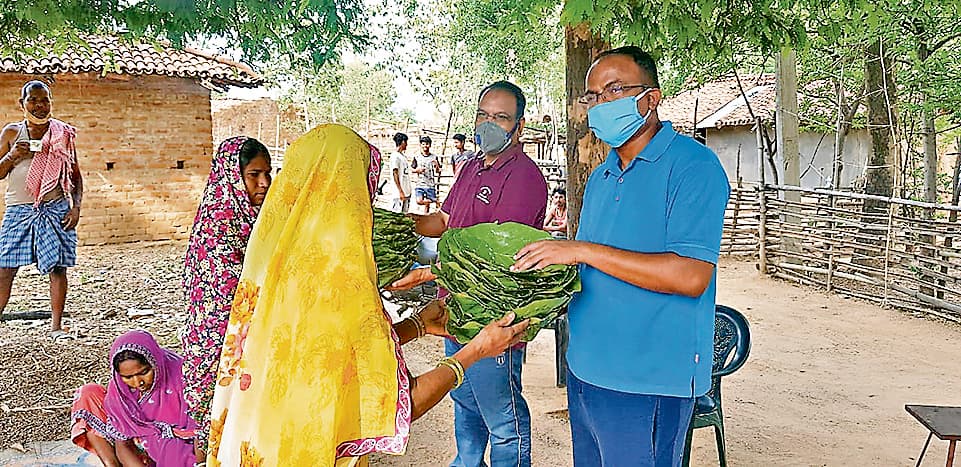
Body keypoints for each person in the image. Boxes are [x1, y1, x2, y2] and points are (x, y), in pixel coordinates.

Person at [204, 124, 529, 466]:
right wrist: (477, 349)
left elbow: (335, 360)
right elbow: (397, 404)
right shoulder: (342, 280)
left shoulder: (281, 263)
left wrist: (416, 326)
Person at [511, 46, 731, 467]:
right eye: (593, 95)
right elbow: (589, 272)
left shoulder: (693, 167)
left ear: (650, 98)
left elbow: (690, 276)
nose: (600, 104)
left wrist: (581, 249)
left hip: (647, 379)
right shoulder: (601, 175)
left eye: (614, 90)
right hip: (587, 368)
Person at [388, 81, 548, 467]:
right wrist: (397, 223)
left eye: (500, 117)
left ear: (519, 126)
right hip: (454, 310)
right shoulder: (471, 167)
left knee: (502, 417)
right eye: (483, 115)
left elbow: (496, 258)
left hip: (494, 316)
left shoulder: (525, 178)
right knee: (464, 400)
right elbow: (443, 221)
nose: (488, 124)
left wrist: (426, 275)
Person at [180, 136, 271, 459]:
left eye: (267, 174)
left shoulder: (256, 221)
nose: (263, 183)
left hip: (240, 342)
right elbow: (231, 290)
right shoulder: (219, 224)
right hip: (215, 345)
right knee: (217, 420)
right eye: (254, 175)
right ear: (233, 176)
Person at [0, 80, 83, 338]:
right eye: (33, 100)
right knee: (4, 268)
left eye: (44, 99)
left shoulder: (62, 133)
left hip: (55, 208)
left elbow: (76, 175)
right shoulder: (12, 133)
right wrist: (13, 156)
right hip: (19, 211)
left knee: (58, 267)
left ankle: (56, 326)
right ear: (22, 103)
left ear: (50, 102)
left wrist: (75, 207)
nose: (39, 105)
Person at [70, 330, 199, 467]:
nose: (138, 383)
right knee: (88, 393)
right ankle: (112, 464)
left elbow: (197, 430)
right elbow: (123, 441)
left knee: (173, 452)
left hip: (172, 437)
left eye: (144, 372)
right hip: (135, 436)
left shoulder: (182, 374)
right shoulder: (119, 387)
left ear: (154, 362)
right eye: (128, 377)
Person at [411, 135, 441, 213]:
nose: (425, 146)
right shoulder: (417, 157)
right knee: (419, 201)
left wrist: (437, 165)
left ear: (430, 145)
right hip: (420, 184)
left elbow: (438, 171)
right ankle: (435, 201)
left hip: (430, 184)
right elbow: (411, 169)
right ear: (420, 145)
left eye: (427, 144)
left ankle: (426, 217)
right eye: (423, 144)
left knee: (427, 206)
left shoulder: (434, 157)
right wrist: (417, 170)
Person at [385, 132, 412, 213]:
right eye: (406, 142)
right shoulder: (395, 156)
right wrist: (400, 191)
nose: (407, 144)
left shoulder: (402, 156)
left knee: (404, 215)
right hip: (398, 193)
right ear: (403, 142)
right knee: (397, 215)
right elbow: (395, 173)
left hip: (406, 191)